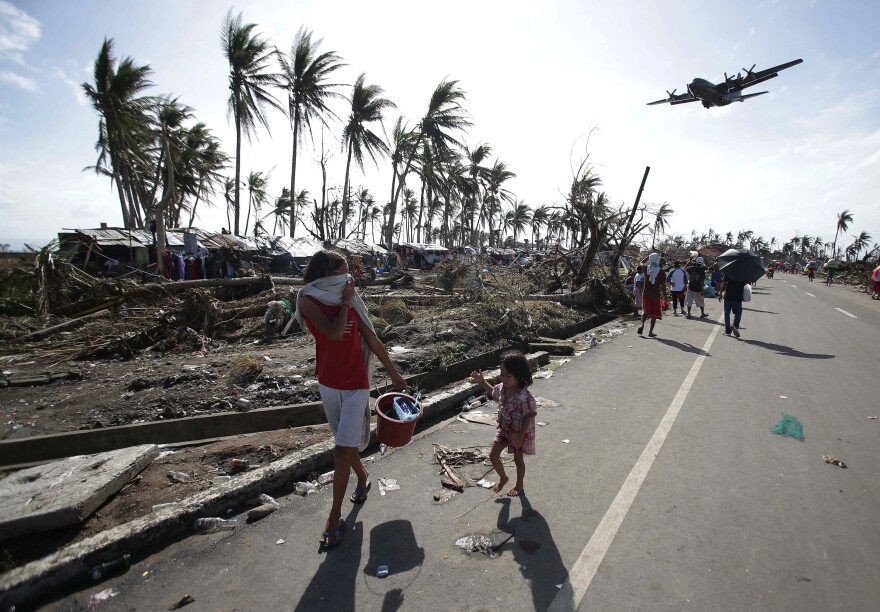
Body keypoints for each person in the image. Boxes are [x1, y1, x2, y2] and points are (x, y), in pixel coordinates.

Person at [294, 250, 407, 550]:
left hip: (357, 384)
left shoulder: (354, 303)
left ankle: (333, 518)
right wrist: (344, 301)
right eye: (344, 273)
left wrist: (394, 373)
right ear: (328, 275)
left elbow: (373, 339)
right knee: (345, 447)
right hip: (328, 384)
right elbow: (331, 333)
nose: (350, 279)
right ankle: (363, 475)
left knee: (341, 450)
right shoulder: (308, 301)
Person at [471, 350, 537, 497]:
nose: (504, 379)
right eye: (502, 374)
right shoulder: (502, 388)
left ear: (519, 375)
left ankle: (519, 485)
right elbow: (493, 392)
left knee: (518, 459)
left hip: (518, 432)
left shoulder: (524, 396)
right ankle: (503, 477)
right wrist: (482, 381)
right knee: (493, 455)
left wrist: (521, 435)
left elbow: (529, 415)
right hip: (504, 429)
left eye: (509, 375)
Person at [638, 253, 668, 337]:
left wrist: (647, 258)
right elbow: (663, 285)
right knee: (654, 314)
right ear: (657, 260)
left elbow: (641, 263)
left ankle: (642, 325)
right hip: (655, 295)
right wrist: (665, 297)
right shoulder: (661, 271)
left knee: (645, 312)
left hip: (646, 293)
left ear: (650, 259)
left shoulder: (646, 268)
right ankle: (650, 332)